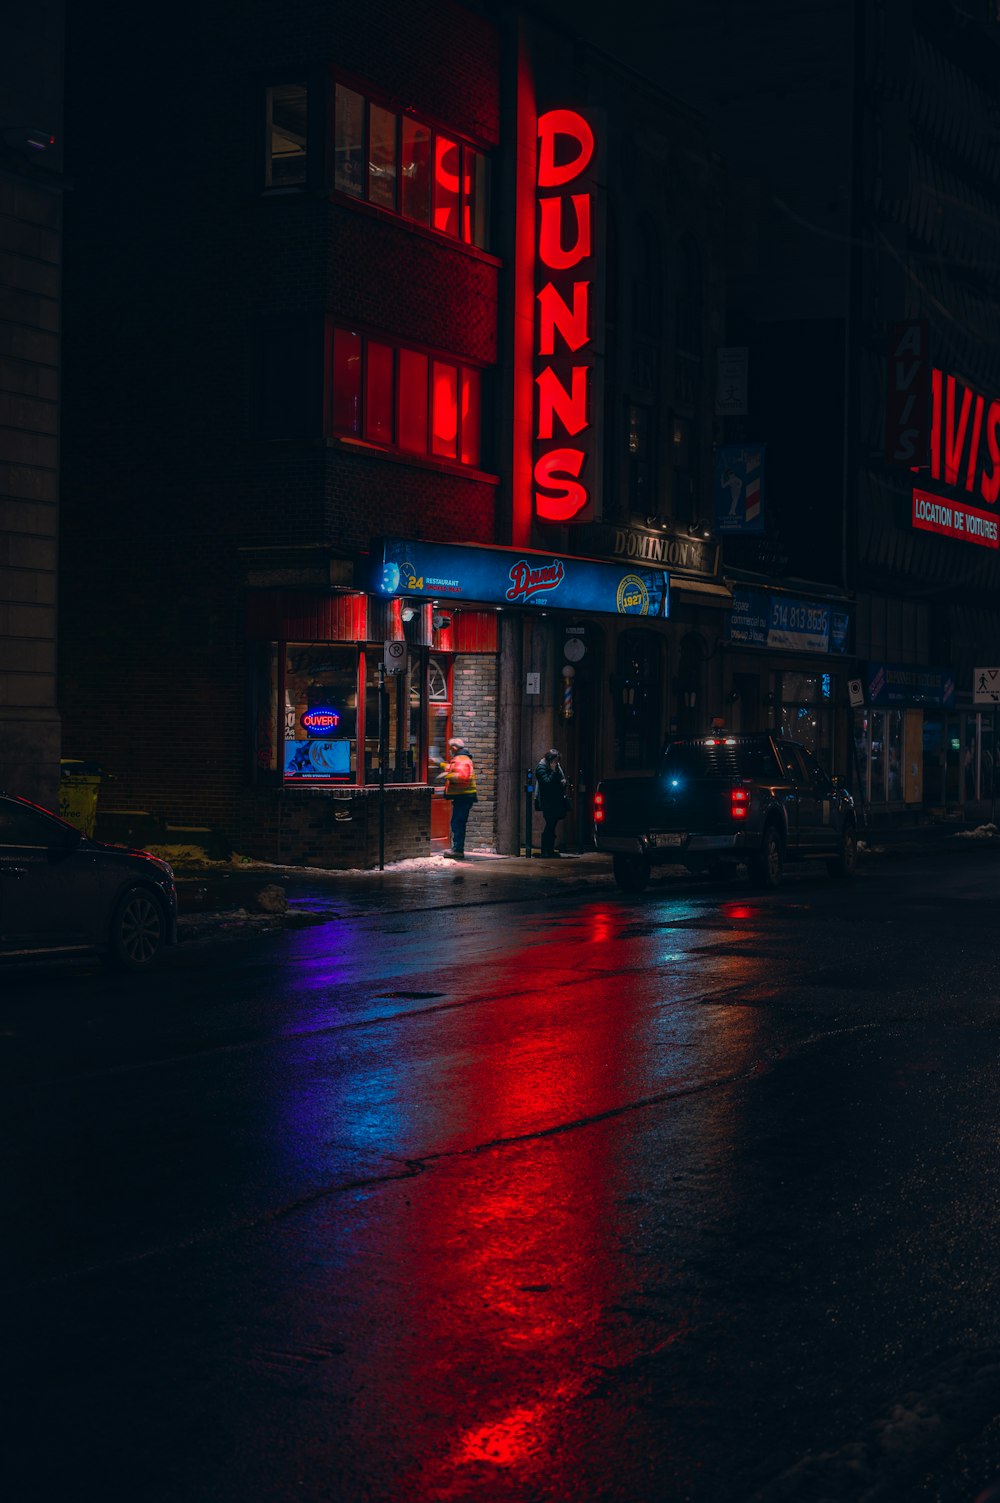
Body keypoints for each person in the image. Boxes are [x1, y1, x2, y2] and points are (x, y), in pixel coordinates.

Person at [439, 737, 477, 859]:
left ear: (454, 748)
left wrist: (447, 775)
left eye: (450, 748)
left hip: (463, 797)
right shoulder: (461, 758)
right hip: (464, 797)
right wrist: (440, 764)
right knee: (458, 822)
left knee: (457, 823)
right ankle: (457, 848)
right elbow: (454, 768)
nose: (450, 750)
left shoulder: (461, 759)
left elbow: (462, 777)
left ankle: (457, 850)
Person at [534, 747, 569, 857]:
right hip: (547, 802)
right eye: (555, 760)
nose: (557, 763)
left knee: (552, 825)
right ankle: (545, 850)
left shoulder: (555, 767)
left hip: (555, 801)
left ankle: (550, 850)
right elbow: (546, 783)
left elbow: (558, 780)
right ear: (550, 759)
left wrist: (563, 782)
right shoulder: (541, 768)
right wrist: (554, 772)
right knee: (549, 825)